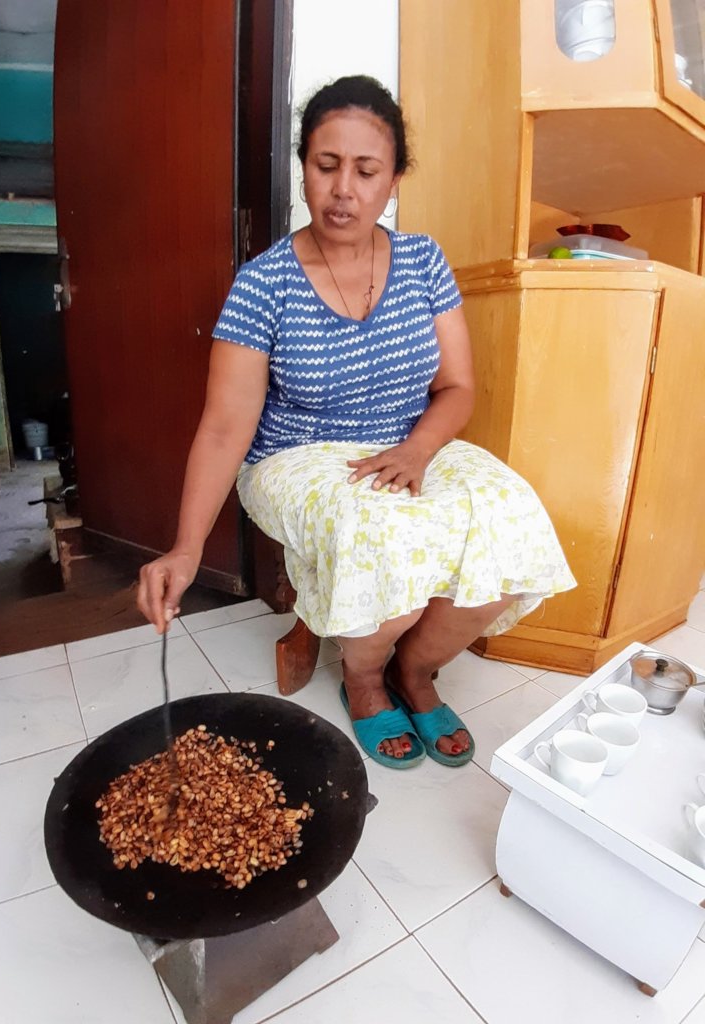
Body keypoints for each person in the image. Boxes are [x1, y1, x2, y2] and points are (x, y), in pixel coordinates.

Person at [137, 75, 576, 770]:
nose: (344, 189)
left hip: (410, 439)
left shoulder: (423, 261)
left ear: (394, 180)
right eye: (326, 166)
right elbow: (225, 428)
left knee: (512, 516)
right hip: (296, 454)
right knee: (382, 536)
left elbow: (458, 387)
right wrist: (185, 549)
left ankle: (415, 673)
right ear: (304, 168)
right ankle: (365, 676)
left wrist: (419, 449)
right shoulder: (263, 284)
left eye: (366, 170)